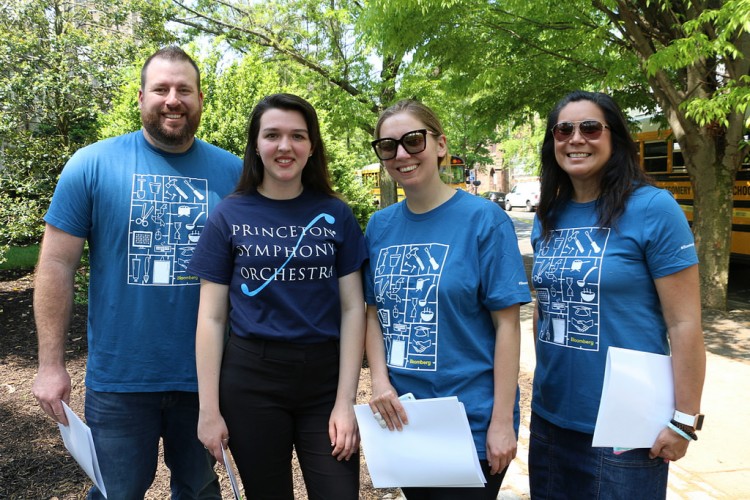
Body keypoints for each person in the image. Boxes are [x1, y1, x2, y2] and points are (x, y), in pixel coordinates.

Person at [31, 46, 242, 499]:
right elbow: (55, 263)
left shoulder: (235, 173)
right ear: (141, 97)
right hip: (120, 379)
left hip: (204, 379)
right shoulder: (92, 164)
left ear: (201, 99)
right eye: (161, 89)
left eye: (184, 89)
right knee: (115, 493)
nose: (173, 99)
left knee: (201, 492)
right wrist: (50, 365)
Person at [187, 93, 366, 499]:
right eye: (272, 135)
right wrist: (208, 411)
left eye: (297, 136)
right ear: (255, 145)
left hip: (325, 380)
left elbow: (354, 308)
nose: (285, 146)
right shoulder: (228, 216)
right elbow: (212, 319)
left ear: (312, 146)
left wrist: (346, 402)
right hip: (251, 381)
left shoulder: (336, 213)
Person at [528, 90, 706, 499]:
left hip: (627, 428)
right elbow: (544, 307)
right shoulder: (547, 217)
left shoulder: (653, 208)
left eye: (590, 128)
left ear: (615, 138)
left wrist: (683, 420)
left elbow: (685, 323)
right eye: (563, 129)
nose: (576, 138)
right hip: (551, 421)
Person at [363, 99, 531, 499]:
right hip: (404, 417)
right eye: (388, 146)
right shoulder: (379, 225)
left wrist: (501, 421)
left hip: (470, 421)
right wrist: (380, 382)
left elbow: (507, 325)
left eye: (413, 140)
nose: (401, 154)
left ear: (440, 145)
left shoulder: (484, 220)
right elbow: (373, 313)